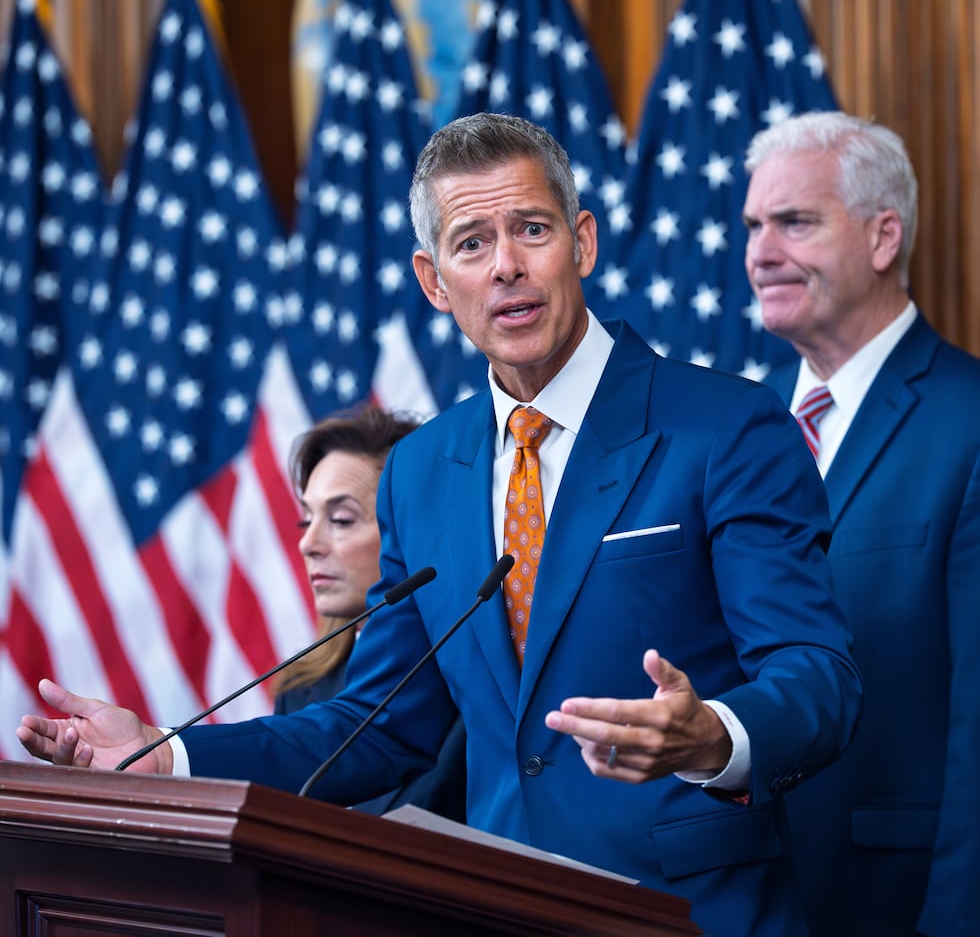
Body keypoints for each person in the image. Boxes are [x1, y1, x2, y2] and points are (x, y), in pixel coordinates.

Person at [19, 113, 863, 937]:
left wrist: (713, 735)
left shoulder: (725, 429)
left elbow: (816, 675)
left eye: (531, 229)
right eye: (471, 243)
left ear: (584, 244)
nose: (505, 267)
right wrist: (170, 755)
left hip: (688, 910)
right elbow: (382, 722)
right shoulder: (422, 470)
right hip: (498, 904)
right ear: (434, 281)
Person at [743, 110, 980, 936]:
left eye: (795, 223)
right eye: (754, 226)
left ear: (884, 238)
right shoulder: (741, 427)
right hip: (738, 899)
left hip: (899, 902)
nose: (760, 253)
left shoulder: (970, 422)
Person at [273, 404, 466, 820]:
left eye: (341, 520)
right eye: (306, 519)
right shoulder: (303, 688)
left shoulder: (471, 675)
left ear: (409, 531)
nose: (309, 543)